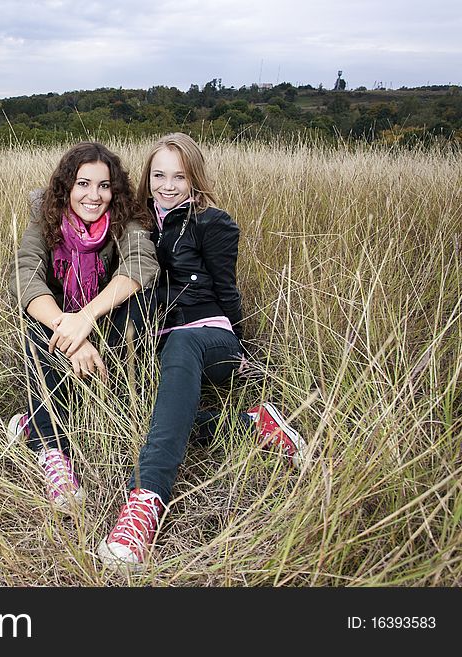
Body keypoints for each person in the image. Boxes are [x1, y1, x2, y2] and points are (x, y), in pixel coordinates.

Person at [96, 133, 307, 571]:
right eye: (158, 175)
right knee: (130, 392)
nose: (168, 185)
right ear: (147, 177)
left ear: (194, 177)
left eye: (179, 175)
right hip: (162, 343)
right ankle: (251, 425)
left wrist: (244, 354)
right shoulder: (136, 223)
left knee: (184, 341)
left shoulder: (214, 223)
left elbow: (227, 293)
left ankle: (145, 504)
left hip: (211, 338)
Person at [7, 141, 160, 511]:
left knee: (143, 301)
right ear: (66, 187)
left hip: (112, 335)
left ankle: (39, 422)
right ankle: (54, 457)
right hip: (64, 338)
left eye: (104, 186)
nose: (94, 195)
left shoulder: (128, 218)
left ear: (114, 190)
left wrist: (86, 319)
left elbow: (141, 264)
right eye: (83, 184)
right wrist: (71, 331)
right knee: (37, 326)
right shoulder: (44, 218)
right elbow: (24, 275)